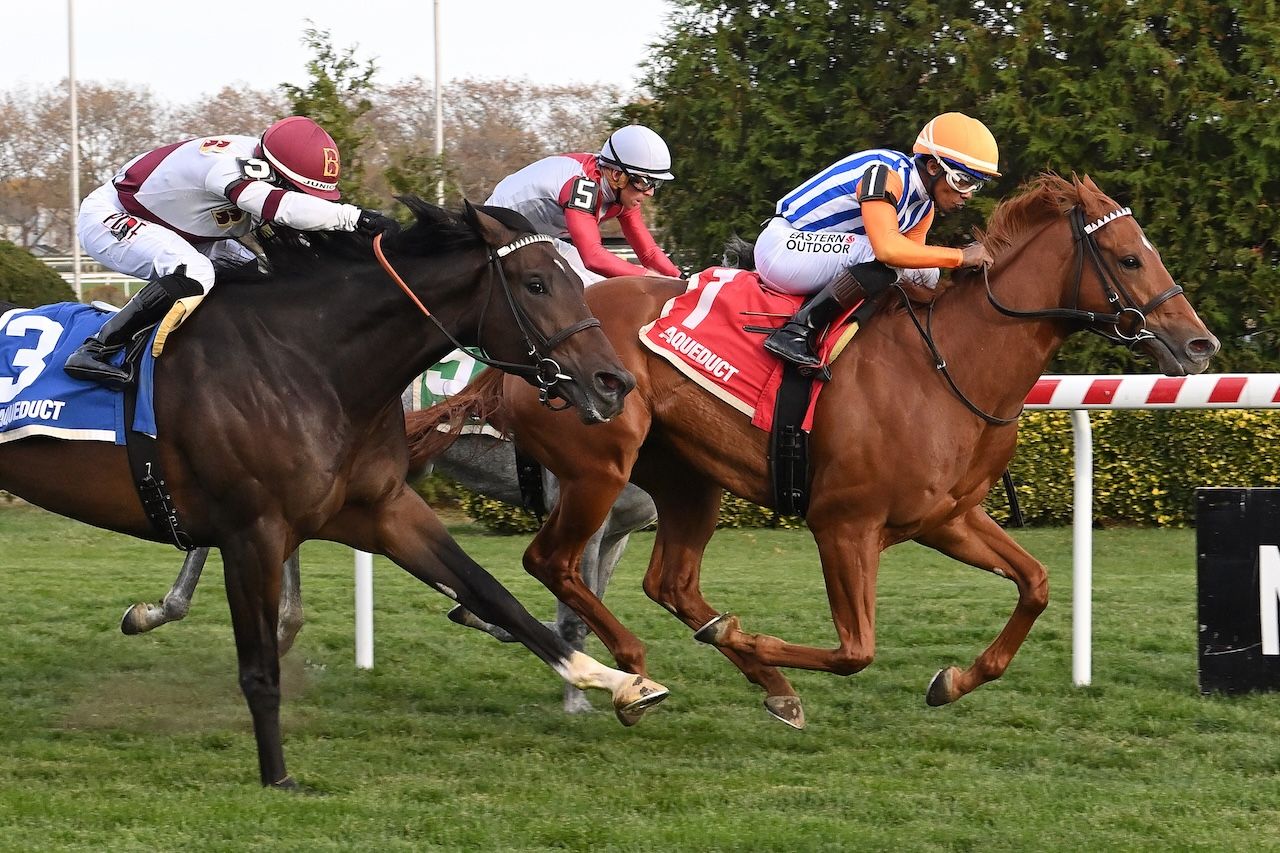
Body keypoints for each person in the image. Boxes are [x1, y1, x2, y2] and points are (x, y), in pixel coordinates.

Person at [64, 115, 400, 388]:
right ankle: (96, 349)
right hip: (113, 216)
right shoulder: (227, 168)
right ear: (274, 172)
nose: (308, 201)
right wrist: (354, 217)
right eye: (302, 191)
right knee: (194, 272)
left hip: (183, 226)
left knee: (253, 273)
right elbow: (280, 207)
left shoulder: (264, 164)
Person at [756, 112, 1000, 371]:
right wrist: (961, 257)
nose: (969, 195)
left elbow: (913, 261)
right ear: (933, 167)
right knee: (882, 256)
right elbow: (888, 250)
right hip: (783, 247)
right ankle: (797, 330)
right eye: (963, 181)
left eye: (977, 185)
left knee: (926, 274)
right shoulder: (885, 173)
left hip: (818, 254)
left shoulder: (923, 208)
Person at [484, 124, 681, 284]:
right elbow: (593, 257)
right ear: (617, 175)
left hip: (537, 236)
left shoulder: (623, 189)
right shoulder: (582, 185)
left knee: (601, 283)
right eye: (645, 182)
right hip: (500, 232)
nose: (650, 191)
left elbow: (648, 252)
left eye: (656, 183)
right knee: (587, 289)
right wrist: (651, 278)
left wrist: (681, 279)